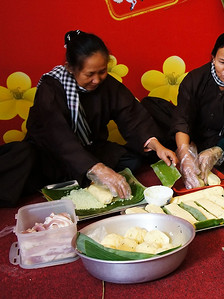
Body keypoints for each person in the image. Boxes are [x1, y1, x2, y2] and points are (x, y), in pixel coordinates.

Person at [0, 30, 177, 207]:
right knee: (20, 157)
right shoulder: (51, 88)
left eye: (102, 72)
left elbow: (131, 115)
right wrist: (96, 168)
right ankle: (79, 176)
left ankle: (78, 178)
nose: (97, 80)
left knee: (131, 160)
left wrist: (157, 145)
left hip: (88, 149)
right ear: (71, 68)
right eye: (89, 74)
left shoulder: (107, 84)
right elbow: (58, 137)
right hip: (51, 157)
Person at [142, 31, 224, 189]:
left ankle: (204, 155)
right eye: (222, 62)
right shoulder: (195, 79)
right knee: (151, 105)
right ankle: (187, 149)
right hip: (192, 133)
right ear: (213, 57)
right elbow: (182, 119)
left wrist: (217, 151)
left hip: (220, 138)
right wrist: (185, 150)